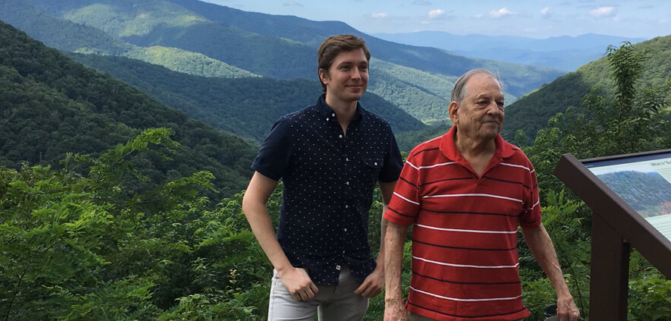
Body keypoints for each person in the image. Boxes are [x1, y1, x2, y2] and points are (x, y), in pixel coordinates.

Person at [383, 69, 580, 321]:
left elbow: (535, 229)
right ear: (455, 112)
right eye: (483, 102)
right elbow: (395, 228)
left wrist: (563, 292)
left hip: (502, 312)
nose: (495, 110)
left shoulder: (519, 165)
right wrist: (392, 302)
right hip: (431, 311)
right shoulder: (423, 159)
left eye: (500, 103)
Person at [242, 34, 403, 321]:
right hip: (298, 278)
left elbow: (397, 208)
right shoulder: (292, 129)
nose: (357, 75)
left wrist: (382, 268)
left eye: (363, 67)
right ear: (324, 75)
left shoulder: (380, 132)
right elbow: (252, 201)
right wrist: (285, 271)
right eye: (346, 67)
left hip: (356, 281)